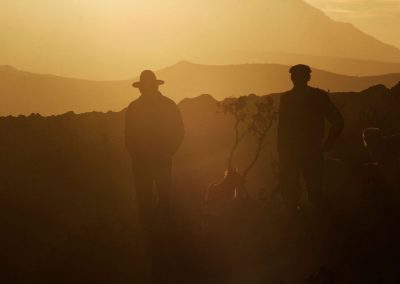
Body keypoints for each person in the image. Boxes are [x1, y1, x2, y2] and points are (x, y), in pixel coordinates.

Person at [277, 64, 344, 213]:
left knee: (307, 195)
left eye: (297, 76)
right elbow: (338, 121)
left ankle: (306, 227)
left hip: (302, 153)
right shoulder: (310, 97)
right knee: (305, 195)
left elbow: (338, 122)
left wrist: (327, 144)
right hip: (303, 153)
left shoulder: (290, 99)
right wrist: (327, 144)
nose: (296, 79)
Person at [125, 70, 184, 229]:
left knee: (151, 201)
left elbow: (128, 136)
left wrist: (166, 152)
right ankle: (160, 237)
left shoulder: (134, 107)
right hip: (152, 160)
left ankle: (155, 238)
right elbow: (179, 131)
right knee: (156, 200)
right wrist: (168, 152)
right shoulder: (168, 105)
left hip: (149, 160)